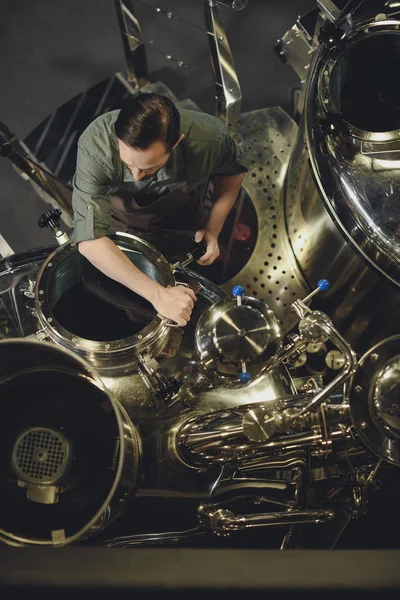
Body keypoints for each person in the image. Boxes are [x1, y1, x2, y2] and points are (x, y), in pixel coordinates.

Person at [72, 93, 247, 326]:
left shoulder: (208, 140)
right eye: (128, 165)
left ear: (176, 143)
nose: (136, 176)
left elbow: (233, 171)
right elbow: (91, 241)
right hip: (119, 224)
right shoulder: (96, 148)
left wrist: (213, 229)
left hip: (183, 219)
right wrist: (158, 295)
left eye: (150, 168)